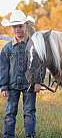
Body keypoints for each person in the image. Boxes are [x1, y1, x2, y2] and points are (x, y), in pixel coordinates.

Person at [0, 10, 41, 138]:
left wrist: (38, 81)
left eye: (20, 26)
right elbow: (3, 68)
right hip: (12, 85)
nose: (18, 29)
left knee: (29, 112)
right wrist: (3, 86)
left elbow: (38, 64)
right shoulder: (7, 48)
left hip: (29, 85)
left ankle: (30, 135)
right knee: (10, 113)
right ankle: (8, 135)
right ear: (12, 28)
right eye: (15, 27)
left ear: (26, 26)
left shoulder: (33, 45)